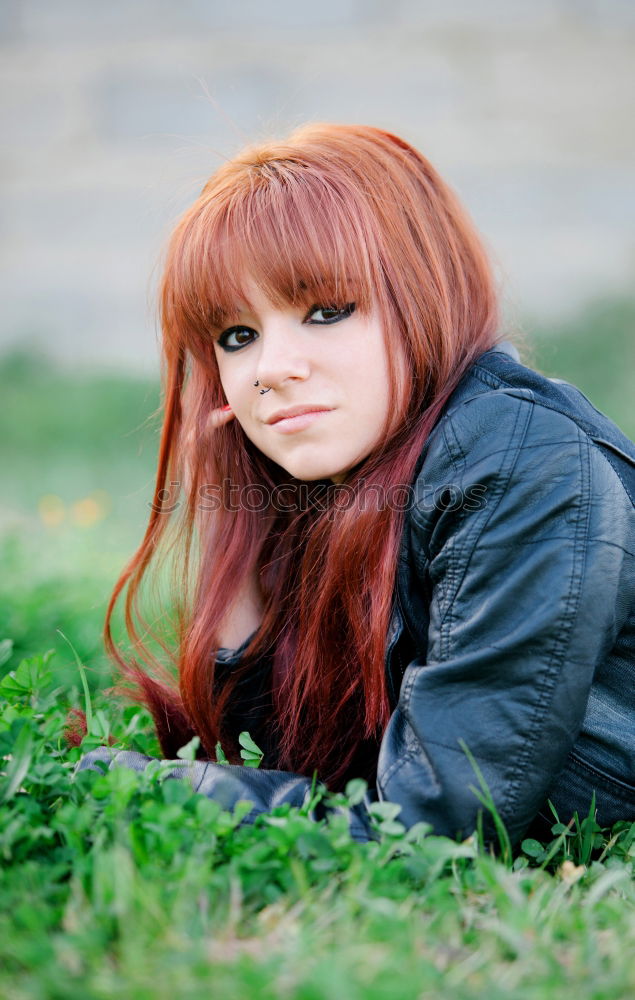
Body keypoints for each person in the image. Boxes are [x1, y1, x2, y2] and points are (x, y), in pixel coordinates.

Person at [76, 123, 635, 846]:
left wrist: (130, 786)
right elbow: (288, 760)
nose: (271, 368)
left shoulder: (521, 463)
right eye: (237, 335)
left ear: (423, 294)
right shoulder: (348, 465)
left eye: (326, 311)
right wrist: (227, 510)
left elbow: (433, 828)